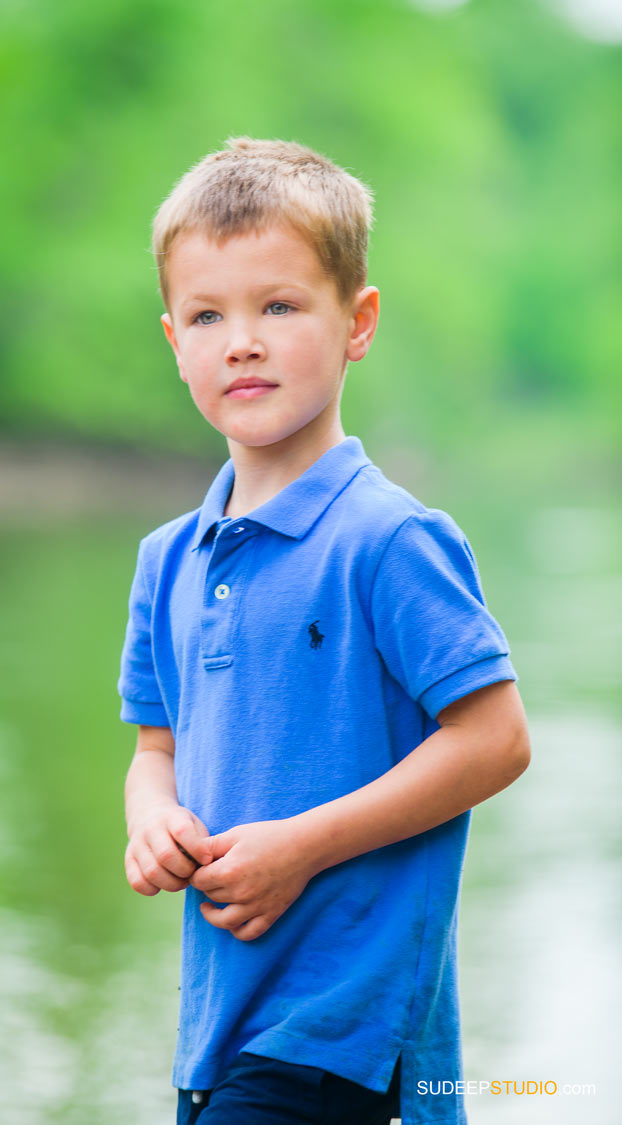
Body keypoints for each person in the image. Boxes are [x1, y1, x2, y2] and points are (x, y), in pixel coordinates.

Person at [118, 137, 530, 1125]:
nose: (242, 340)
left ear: (358, 321)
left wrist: (300, 847)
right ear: (175, 340)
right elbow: (153, 751)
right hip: (221, 1015)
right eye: (210, 314)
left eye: (280, 305)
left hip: (344, 1030)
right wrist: (151, 821)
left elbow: (496, 739)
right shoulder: (166, 561)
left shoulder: (389, 540)